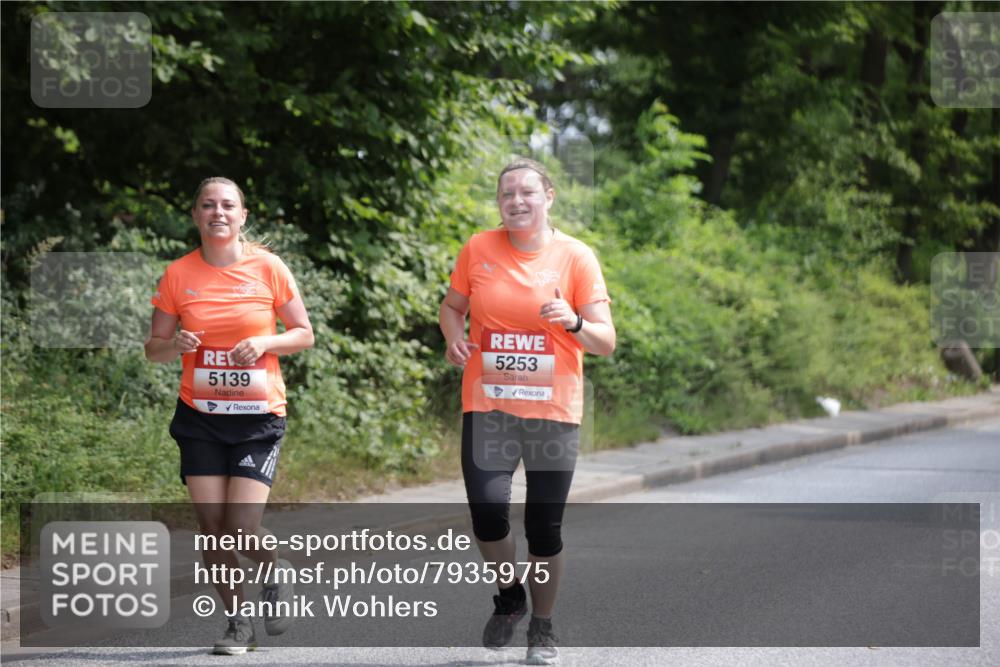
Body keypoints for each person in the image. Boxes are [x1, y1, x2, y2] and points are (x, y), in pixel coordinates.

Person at [439, 158, 615, 665]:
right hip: (488, 403)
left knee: (544, 528)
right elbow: (453, 307)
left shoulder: (576, 257)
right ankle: (509, 594)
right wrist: (454, 338)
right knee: (488, 513)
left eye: (527, 193)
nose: (516, 201)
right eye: (506, 194)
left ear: (549, 197)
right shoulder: (478, 247)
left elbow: (605, 341)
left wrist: (575, 320)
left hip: (553, 410)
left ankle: (542, 625)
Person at [145, 177, 314, 655]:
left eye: (227, 205)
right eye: (208, 205)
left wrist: (265, 341)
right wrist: (173, 344)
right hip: (199, 414)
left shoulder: (269, 267)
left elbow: (304, 334)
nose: (217, 212)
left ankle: (275, 570)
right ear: (196, 215)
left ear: (242, 215)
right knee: (211, 525)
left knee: (240, 524)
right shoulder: (178, 274)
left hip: (258, 416)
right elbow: (152, 349)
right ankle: (238, 623)